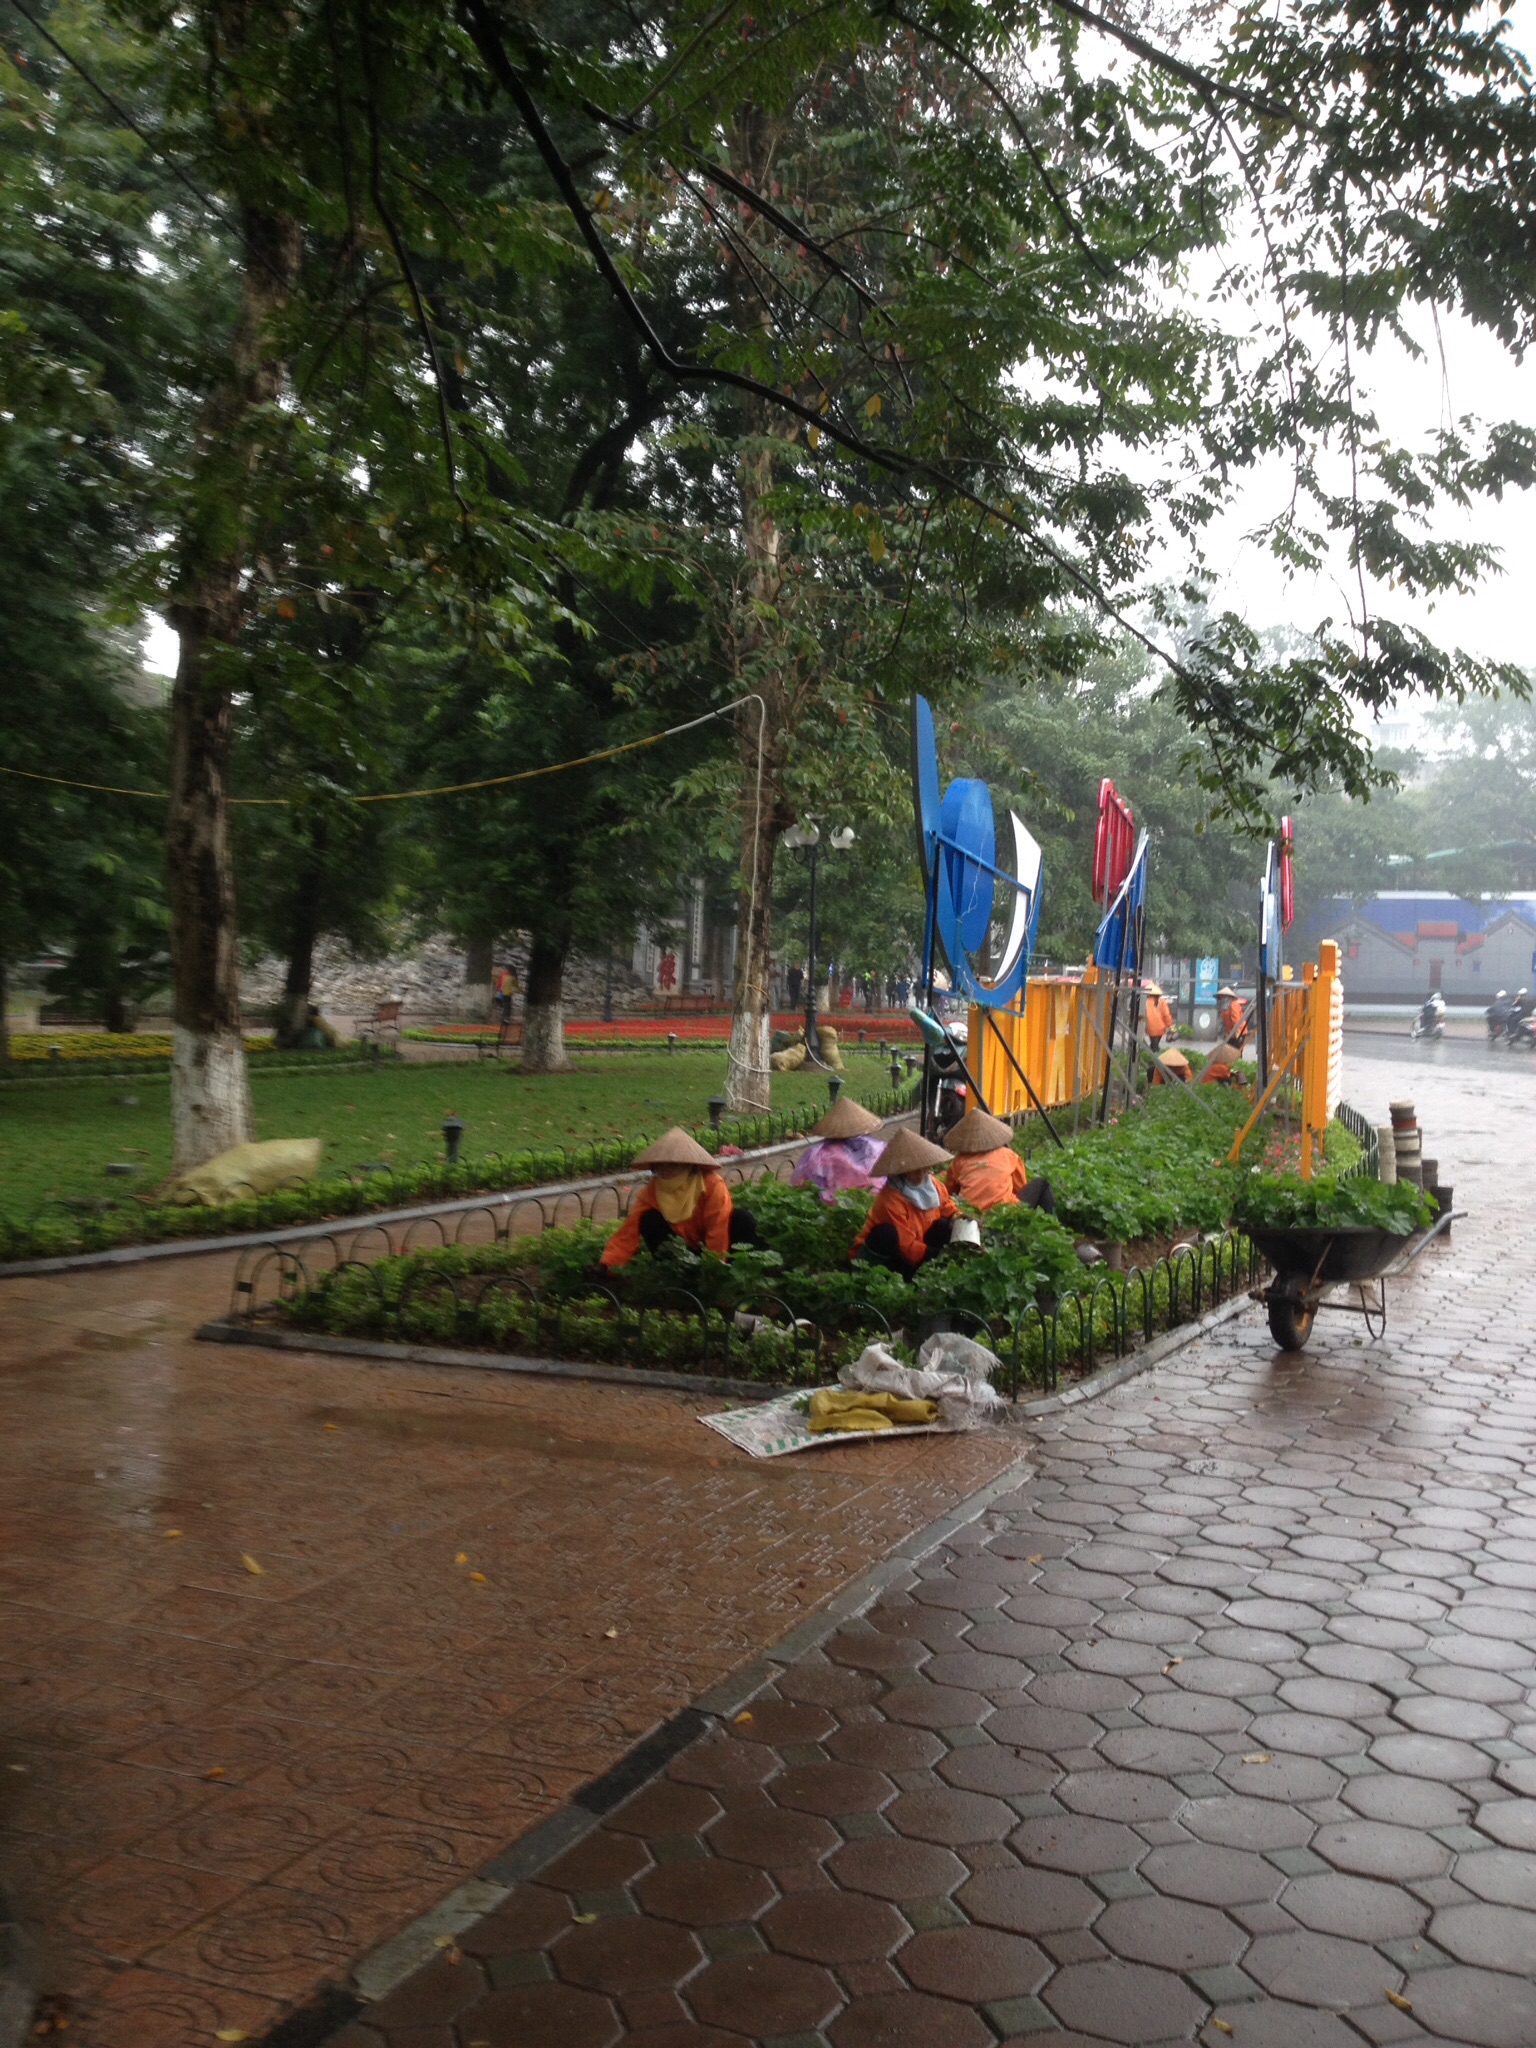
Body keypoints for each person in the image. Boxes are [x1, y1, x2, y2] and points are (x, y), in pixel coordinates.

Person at [600, 1128, 757, 1267]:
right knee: (648, 1220)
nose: (665, 1169)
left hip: (718, 1252)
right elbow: (628, 1230)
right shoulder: (652, 1191)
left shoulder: (712, 1184)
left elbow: (718, 1227)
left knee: (742, 1219)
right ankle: (676, 1273)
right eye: (660, 1164)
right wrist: (607, 1264)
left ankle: (733, 1273)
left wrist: (713, 1268)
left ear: (688, 1165)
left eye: (673, 1164)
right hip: (681, 1251)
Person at [850, 1127, 959, 1278]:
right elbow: (905, 1245)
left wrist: (960, 1218)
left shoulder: (934, 1186)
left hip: (917, 1242)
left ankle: (922, 1270)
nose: (920, 1175)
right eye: (914, 1171)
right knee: (886, 1233)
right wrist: (939, 1256)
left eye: (924, 1169)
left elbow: (948, 1208)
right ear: (903, 1171)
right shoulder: (891, 1199)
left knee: (945, 1225)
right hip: (891, 1250)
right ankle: (872, 1276)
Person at [941, 1108, 1056, 1214]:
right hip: (1004, 1213)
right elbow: (1020, 1187)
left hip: (971, 1215)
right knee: (1042, 1183)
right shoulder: (1009, 1155)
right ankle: (1053, 1222)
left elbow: (950, 1192)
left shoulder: (959, 1161)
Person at [790, 1096, 886, 1203]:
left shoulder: (819, 1153)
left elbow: (803, 1181)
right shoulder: (874, 1147)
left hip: (832, 1203)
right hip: (869, 1200)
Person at [1143, 979, 1175, 1050]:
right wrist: (1171, 1026)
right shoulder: (1162, 1002)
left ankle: (1153, 1054)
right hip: (1161, 1027)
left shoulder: (1144, 1002)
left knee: (1154, 1045)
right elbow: (1166, 1015)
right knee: (1155, 1045)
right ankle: (1155, 1054)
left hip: (1150, 1027)